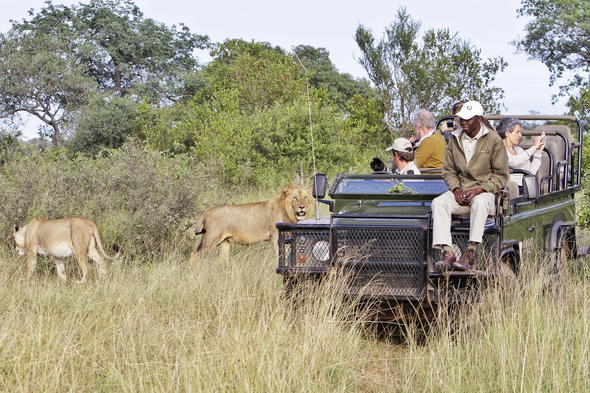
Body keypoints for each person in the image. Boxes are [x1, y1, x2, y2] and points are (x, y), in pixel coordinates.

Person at [432, 100, 509, 272]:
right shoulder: (454, 138)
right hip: (461, 189)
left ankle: (471, 251)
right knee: (438, 203)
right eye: (462, 118)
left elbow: (501, 175)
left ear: (480, 119)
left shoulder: (494, 140)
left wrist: (480, 189)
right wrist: (456, 189)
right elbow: (448, 171)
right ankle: (447, 251)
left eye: (469, 118)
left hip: (485, 190)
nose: (464, 122)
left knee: (480, 202)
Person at [496, 117, 545, 186]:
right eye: (517, 132)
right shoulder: (499, 150)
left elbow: (530, 172)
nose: (520, 135)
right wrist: (534, 147)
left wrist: (538, 151)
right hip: (508, 190)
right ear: (507, 133)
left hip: (523, 189)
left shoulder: (519, 150)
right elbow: (514, 162)